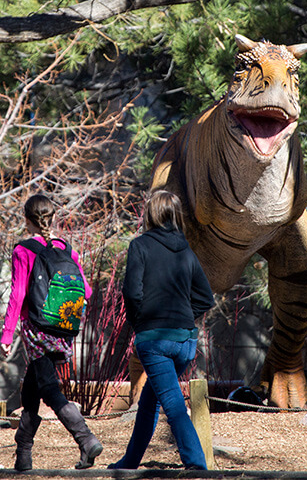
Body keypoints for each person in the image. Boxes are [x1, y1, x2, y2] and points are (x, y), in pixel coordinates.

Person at [108, 189, 215, 471]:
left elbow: (131, 293)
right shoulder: (187, 250)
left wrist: (140, 324)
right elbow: (206, 298)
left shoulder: (140, 246)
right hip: (185, 343)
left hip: (155, 341)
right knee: (149, 402)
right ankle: (130, 461)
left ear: (150, 213)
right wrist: (183, 318)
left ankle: (196, 465)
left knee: (173, 405)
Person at [0, 194, 102, 471]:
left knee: (48, 389)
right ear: (52, 218)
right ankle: (23, 455)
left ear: (26, 219)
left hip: (36, 330)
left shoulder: (24, 250)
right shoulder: (67, 249)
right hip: (64, 329)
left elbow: (18, 294)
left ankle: (86, 439)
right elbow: (87, 291)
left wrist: (7, 335)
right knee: (31, 389)